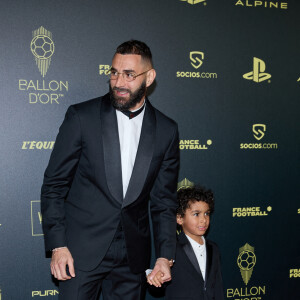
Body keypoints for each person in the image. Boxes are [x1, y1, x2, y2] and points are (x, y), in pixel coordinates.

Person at [41, 40, 180, 300]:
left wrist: (164, 256)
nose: (118, 82)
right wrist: (58, 245)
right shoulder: (81, 117)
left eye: (129, 75)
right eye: (114, 72)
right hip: (80, 253)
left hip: (133, 257)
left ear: (149, 77)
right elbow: (54, 185)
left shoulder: (166, 130)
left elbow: (163, 202)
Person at [147, 186, 224, 300]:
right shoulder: (170, 248)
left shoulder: (213, 248)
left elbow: (218, 287)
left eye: (206, 213)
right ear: (179, 218)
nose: (203, 219)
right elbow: (157, 289)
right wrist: (155, 279)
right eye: (196, 214)